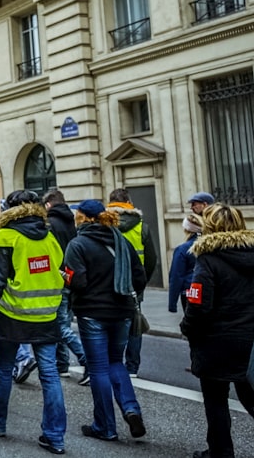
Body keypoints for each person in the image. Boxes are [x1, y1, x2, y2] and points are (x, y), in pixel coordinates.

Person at [0, 190, 67, 455]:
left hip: (13, 315)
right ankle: (55, 436)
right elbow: (59, 267)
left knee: (4, 370)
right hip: (46, 315)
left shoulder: (6, 236)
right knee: (50, 375)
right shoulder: (48, 236)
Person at [62, 200, 147, 441]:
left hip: (92, 313)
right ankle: (131, 409)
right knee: (116, 362)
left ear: (85, 218)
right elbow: (139, 277)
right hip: (122, 312)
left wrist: (66, 278)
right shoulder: (122, 241)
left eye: (78, 215)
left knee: (98, 368)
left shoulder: (78, 245)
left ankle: (105, 427)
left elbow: (76, 281)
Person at [181, 203, 254, 458]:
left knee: (216, 401)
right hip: (250, 340)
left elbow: (199, 304)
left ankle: (221, 452)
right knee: (250, 395)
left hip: (216, 342)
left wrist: (187, 328)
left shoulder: (208, 258)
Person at [107, 188, 157, 377]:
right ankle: (132, 366)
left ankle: (114, 362)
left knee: (111, 321)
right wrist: (142, 281)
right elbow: (151, 259)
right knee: (135, 322)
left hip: (110, 282)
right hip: (135, 284)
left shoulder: (105, 224)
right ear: (129, 202)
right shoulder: (141, 226)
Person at [43, 189, 88, 383]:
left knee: (60, 325)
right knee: (63, 322)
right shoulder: (72, 221)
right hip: (72, 277)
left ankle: (87, 359)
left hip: (58, 277)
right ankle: (62, 364)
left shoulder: (50, 224)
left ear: (48, 205)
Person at [168, 213, 203, 313]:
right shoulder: (209, 245)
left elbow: (176, 276)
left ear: (186, 230)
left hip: (190, 291)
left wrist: (172, 304)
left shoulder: (182, 249)